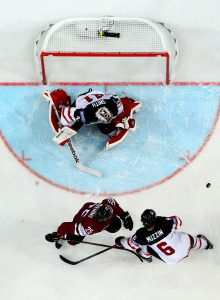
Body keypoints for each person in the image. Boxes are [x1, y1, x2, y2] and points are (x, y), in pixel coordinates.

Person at [43, 88, 142, 150]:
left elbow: (114, 98)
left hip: (98, 95)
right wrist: (64, 128)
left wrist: (122, 118)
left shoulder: (116, 106)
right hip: (82, 101)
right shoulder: (83, 114)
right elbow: (65, 116)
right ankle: (61, 98)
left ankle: (110, 122)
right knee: (66, 123)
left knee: (108, 129)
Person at [115, 209, 214, 265]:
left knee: (145, 247)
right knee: (187, 238)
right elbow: (178, 221)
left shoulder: (141, 235)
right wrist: (162, 220)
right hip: (184, 248)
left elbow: (130, 244)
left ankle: (146, 257)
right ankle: (206, 245)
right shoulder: (164, 223)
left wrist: (119, 242)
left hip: (170, 259)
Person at [45, 197, 133, 249]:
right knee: (72, 242)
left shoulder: (108, 205)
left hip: (88, 207)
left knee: (116, 226)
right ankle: (62, 238)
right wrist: (58, 235)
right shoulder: (89, 227)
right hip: (80, 219)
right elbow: (65, 226)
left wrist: (124, 215)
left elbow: (114, 205)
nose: (99, 220)